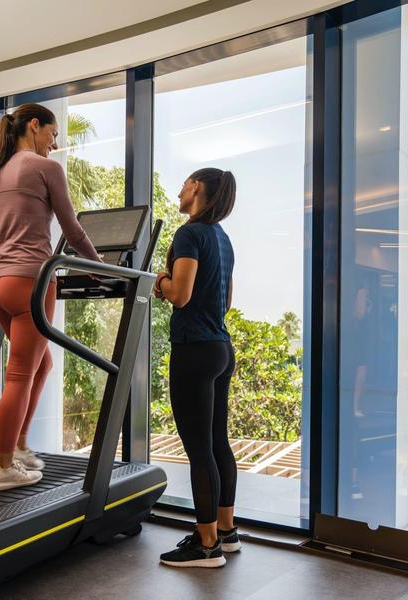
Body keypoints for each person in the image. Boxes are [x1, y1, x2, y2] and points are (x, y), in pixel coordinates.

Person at [0, 103, 102, 491]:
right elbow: (74, 230)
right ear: (34, 126)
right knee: (20, 374)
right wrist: (102, 266)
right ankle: (2, 466)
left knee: (42, 363)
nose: (54, 145)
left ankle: (17, 445)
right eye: (52, 135)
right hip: (30, 281)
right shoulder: (45, 168)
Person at [154, 168, 239, 568]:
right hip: (222, 348)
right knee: (217, 442)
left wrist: (161, 282)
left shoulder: (189, 233)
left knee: (198, 450)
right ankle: (226, 529)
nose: (180, 187)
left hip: (195, 350)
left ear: (197, 189)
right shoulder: (223, 239)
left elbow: (181, 295)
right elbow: (224, 303)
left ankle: (206, 545)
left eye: (185, 181)